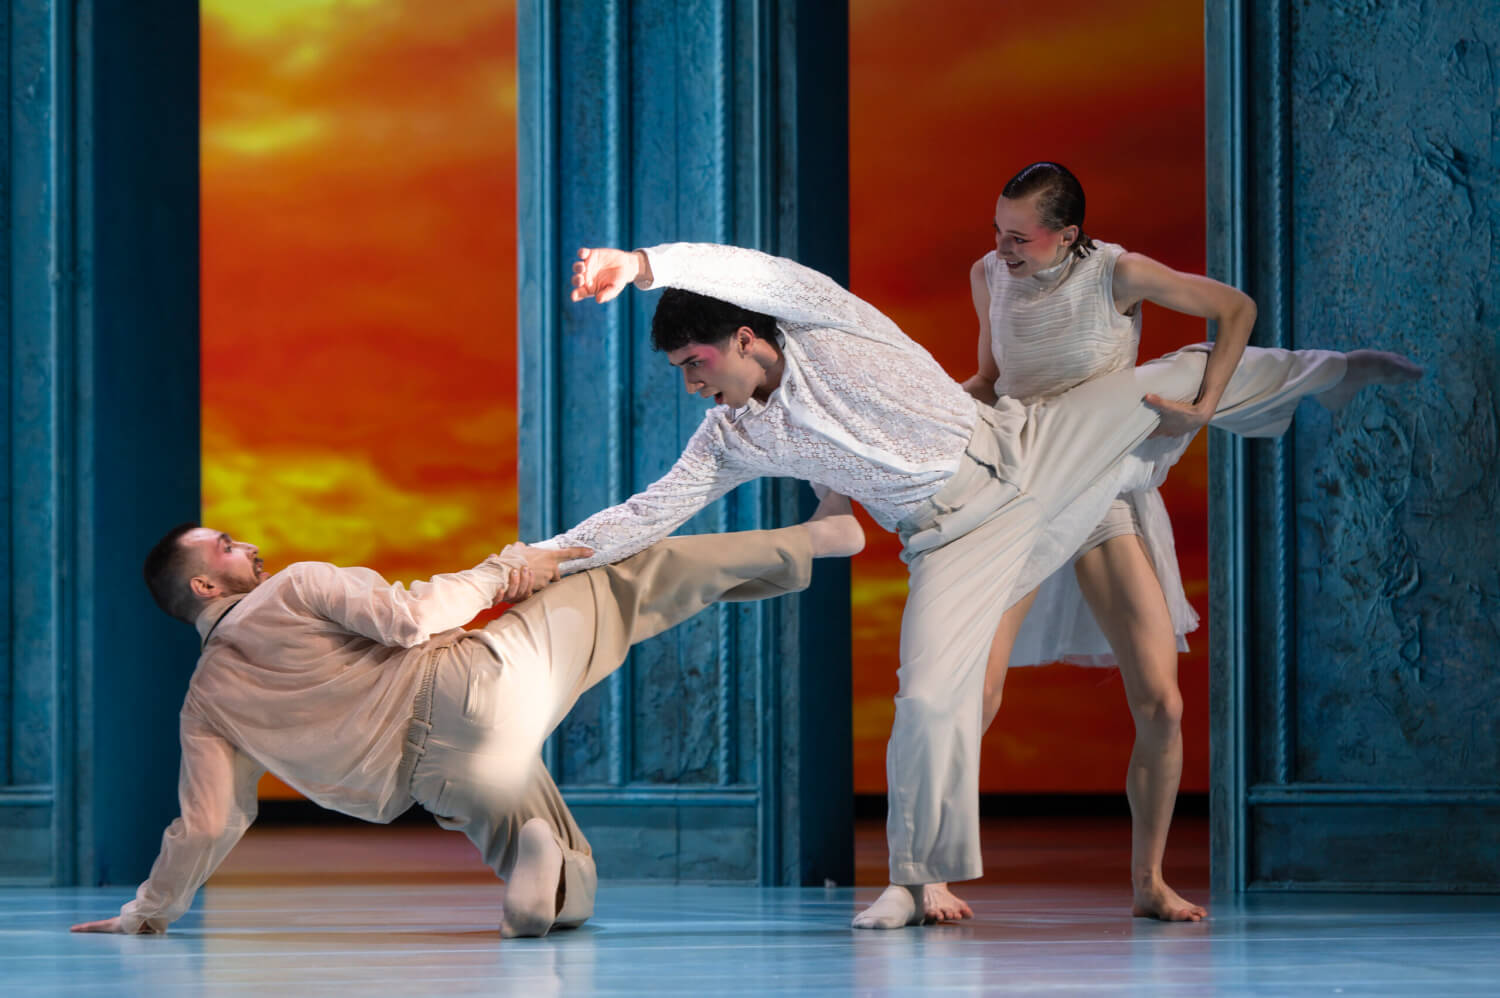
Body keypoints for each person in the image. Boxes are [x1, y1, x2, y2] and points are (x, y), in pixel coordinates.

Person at [551, 241, 1419, 929]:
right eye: (681, 371)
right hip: (950, 540)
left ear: (747, 338)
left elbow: (760, 271)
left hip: (1023, 450)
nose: (693, 381)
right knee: (930, 700)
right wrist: (543, 560)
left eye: (695, 360)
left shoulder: (828, 327)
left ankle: (1333, 374)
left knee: (1173, 379)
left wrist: (643, 266)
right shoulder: (728, 438)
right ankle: (910, 881)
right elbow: (648, 511)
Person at [69, 501, 865, 937]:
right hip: (473, 686)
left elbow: (208, 823)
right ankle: (821, 538)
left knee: (558, 873)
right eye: (227, 548)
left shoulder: (206, 704)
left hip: (439, 780)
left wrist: (151, 910)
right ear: (207, 588)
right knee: (632, 577)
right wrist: (499, 568)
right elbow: (409, 623)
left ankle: (533, 883)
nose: (247, 547)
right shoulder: (296, 585)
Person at [953, 160, 1251, 922]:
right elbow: (991, 377)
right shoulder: (990, 274)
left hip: (1096, 494)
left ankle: (1148, 883)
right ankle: (930, 873)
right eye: (998, 229)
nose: (1003, 247)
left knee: (1162, 699)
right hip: (1019, 492)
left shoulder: (1118, 273)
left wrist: (1205, 405)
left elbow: (1235, 307)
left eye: (1020, 236)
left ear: (1069, 236)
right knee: (971, 694)